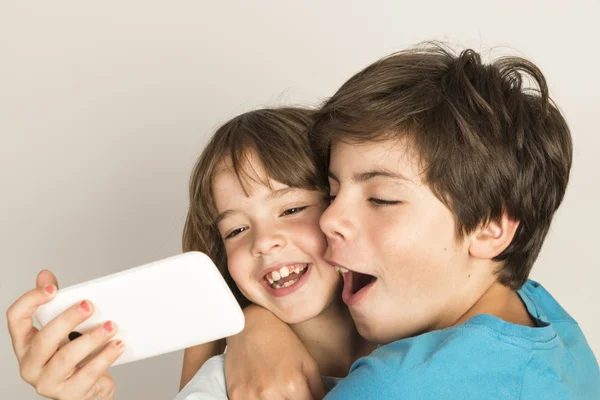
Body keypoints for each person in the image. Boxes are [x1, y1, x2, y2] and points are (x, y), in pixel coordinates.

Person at [219, 43, 600, 399]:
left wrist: (228, 338)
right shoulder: (541, 313)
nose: (330, 219)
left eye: (381, 199)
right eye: (333, 195)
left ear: (490, 228)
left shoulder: (392, 387)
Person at [6, 107, 374, 400]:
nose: (263, 242)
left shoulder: (416, 338)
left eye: (292, 210)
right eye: (236, 231)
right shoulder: (219, 383)